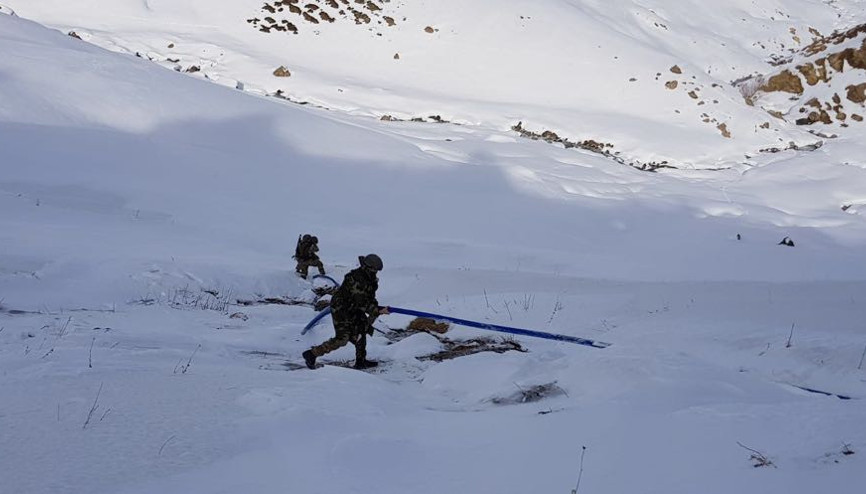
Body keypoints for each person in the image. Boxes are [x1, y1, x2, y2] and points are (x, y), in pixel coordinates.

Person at [303, 254, 389, 370]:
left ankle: (360, 361)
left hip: (355, 308)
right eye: (374, 270)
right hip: (342, 309)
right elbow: (362, 302)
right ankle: (312, 354)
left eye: (377, 271)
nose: (376, 272)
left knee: (361, 330)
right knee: (342, 339)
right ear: (367, 267)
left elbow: (369, 298)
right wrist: (377, 310)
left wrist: (376, 307)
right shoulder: (356, 279)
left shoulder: (370, 278)